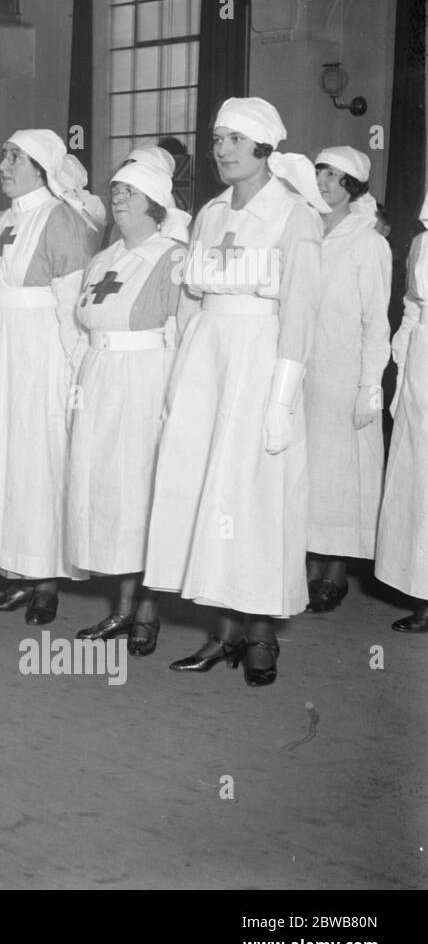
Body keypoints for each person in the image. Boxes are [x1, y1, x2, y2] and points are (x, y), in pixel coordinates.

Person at [146, 97, 324, 686]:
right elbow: (191, 301)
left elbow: (300, 313)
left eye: (231, 140)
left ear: (264, 149)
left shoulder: (294, 216)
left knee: (253, 497)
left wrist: (280, 400)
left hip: (259, 360)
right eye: (217, 139)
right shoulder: (210, 213)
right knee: (209, 492)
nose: (219, 149)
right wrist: (178, 378)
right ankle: (224, 631)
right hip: (206, 360)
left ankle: (263, 636)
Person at [0, 129, 103, 624]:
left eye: (15, 157)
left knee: (38, 460)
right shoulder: (0, 220)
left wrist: (75, 373)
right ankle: (15, 572)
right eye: (3, 153)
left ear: (42, 168)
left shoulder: (62, 220)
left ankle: (46, 580)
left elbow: (72, 305)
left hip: (41, 354)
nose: (3, 163)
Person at [66, 161, 184, 656]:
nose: (117, 198)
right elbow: (83, 326)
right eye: (115, 189)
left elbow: (182, 333)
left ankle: (148, 611)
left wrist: (176, 401)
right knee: (108, 495)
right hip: (99, 376)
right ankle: (120, 604)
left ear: (154, 203)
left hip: (144, 380)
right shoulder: (105, 257)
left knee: (142, 493)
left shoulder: (172, 257)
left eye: (130, 192)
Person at [302, 147, 391, 612]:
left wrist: (370, 387)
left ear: (353, 186)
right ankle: (307, 563)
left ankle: (334, 569)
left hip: (345, 375)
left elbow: (377, 323)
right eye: (320, 172)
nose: (324, 182)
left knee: (341, 476)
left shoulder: (368, 242)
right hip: (304, 370)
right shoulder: (303, 230)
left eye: (336, 176)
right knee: (309, 472)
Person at [375, 190, 428, 633]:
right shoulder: (421, 244)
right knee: (419, 485)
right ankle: (424, 592)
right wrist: (404, 365)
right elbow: (412, 308)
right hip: (422, 370)